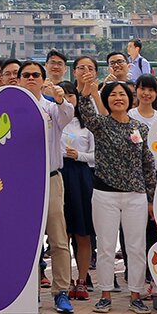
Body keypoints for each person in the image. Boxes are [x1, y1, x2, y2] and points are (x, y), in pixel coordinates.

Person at [74, 72, 155, 314]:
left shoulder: (140, 127)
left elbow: (148, 165)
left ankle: (136, 295)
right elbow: (86, 109)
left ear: (130, 99)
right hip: (104, 194)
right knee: (107, 246)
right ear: (107, 99)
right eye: (113, 95)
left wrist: (151, 198)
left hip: (136, 196)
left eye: (123, 94)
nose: (118, 98)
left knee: (136, 247)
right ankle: (106, 295)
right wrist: (86, 89)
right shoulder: (100, 125)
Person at [20, 60, 77, 313]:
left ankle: (61, 292)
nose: (31, 78)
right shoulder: (12, 109)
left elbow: (68, 114)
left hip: (51, 177)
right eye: (26, 75)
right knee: (25, 240)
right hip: (21, 181)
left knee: (58, 238)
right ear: (19, 79)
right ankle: (27, 293)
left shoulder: (52, 108)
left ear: (43, 79)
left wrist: (61, 98)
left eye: (35, 74)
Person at [59, 104, 96, 302]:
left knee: (83, 233)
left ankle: (82, 279)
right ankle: (65, 282)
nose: (67, 101)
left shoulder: (87, 125)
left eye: (71, 96)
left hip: (82, 177)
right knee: (62, 234)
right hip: (60, 175)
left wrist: (79, 156)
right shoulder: (55, 122)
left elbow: (97, 155)